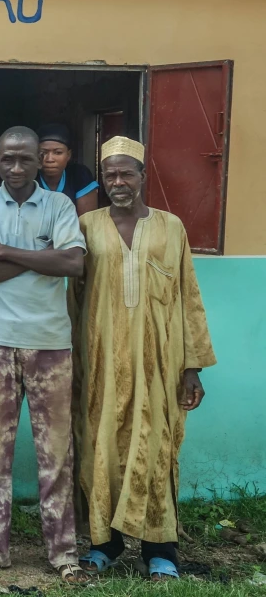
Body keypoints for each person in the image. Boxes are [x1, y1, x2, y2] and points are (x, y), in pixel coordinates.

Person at [70, 137, 216, 581]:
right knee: (99, 446)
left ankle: (160, 549)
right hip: (100, 362)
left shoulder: (171, 227)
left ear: (141, 177)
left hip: (161, 363)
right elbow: (72, 299)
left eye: (126, 173)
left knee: (156, 448)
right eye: (110, 173)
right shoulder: (86, 227)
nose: (118, 181)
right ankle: (103, 545)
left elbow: (188, 296)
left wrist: (191, 366)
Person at [0, 127, 88, 585]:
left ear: (39, 162)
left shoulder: (60, 206)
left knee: (56, 453)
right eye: (8, 159)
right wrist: (39, 255)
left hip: (51, 344)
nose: (16, 167)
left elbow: (72, 263)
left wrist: (4, 253)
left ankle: (63, 552)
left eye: (25, 160)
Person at [36, 123, 98, 216]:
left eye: (58, 152)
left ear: (68, 155)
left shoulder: (79, 175)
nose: (49, 159)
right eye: (43, 153)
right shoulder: (30, 177)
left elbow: (86, 223)